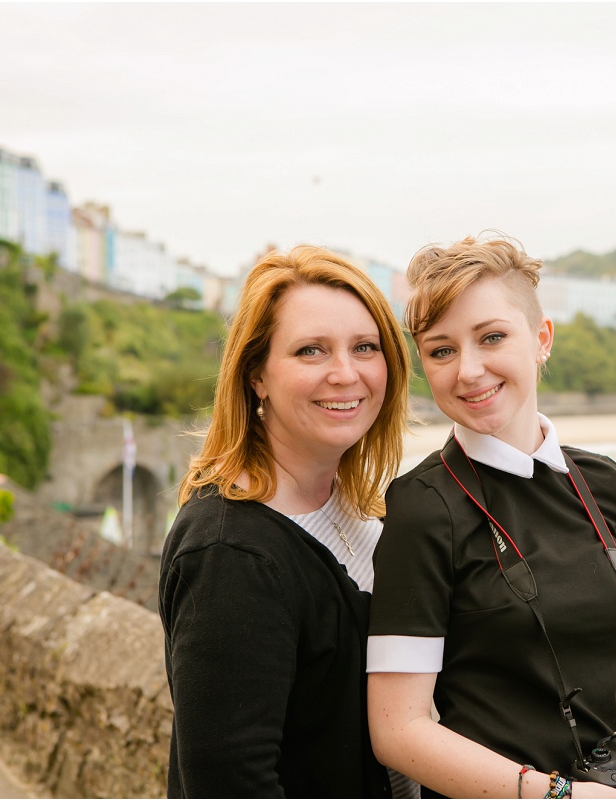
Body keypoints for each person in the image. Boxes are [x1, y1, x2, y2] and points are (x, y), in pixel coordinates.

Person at [367, 234, 616, 798]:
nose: (468, 370)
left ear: (541, 339)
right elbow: (399, 731)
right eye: (441, 350)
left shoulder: (609, 488)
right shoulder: (422, 509)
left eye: (492, 337)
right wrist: (558, 795)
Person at [158, 245, 418, 798]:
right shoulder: (230, 553)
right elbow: (231, 785)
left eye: (364, 347)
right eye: (310, 351)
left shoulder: (368, 512)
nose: (344, 373)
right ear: (257, 376)